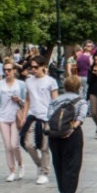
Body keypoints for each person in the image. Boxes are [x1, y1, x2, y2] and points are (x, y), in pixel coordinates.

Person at [48, 75, 89, 193]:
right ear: (78, 87)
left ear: (64, 86)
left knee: (58, 161)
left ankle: (62, 187)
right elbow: (80, 118)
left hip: (55, 135)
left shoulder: (55, 100)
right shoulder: (81, 102)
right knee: (73, 163)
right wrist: (72, 128)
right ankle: (69, 191)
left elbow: (49, 116)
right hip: (72, 135)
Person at [20, 56, 59, 185]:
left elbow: (55, 100)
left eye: (36, 67)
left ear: (43, 66)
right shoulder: (29, 81)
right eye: (32, 67)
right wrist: (23, 116)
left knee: (44, 147)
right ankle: (40, 165)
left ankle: (44, 172)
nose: (34, 69)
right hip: (33, 116)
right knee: (28, 144)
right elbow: (27, 100)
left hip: (46, 117)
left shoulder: (50, 81)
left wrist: (54, 118)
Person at [0, 60, 28, 182]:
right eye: (5, 70)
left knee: (14, 144)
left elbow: (25, 102)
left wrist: (19, 100)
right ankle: (12, 170)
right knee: (7, 146)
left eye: (9, 70)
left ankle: (21, 164)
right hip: (3, 116)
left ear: (14, 71)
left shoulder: (21, 84)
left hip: (15, 116)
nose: (7, 72)